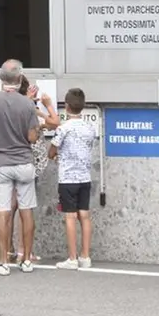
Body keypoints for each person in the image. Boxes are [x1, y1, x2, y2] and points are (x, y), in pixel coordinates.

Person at [0, 59, 40, 276]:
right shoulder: (28, 104)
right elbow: (32, 137)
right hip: (24, 161)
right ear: (20, 78)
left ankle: (3, 262)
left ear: (1, 78)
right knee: (26, 209)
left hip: (0, 163)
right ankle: (27, 260)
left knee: (3, 210)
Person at [5, 76, 59, 264]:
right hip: (28, 161)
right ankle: (22, 251)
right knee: (23, 207)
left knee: (10, 206)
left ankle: (8, 251)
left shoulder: (7, 108)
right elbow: (55, 122)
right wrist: (47, 103)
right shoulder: (30, 109)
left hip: (8, 159)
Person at [49, 88, 96, 270]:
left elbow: (52, 150)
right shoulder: (89, 128)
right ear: (82, 107)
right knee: (84, 215)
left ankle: (72, 258)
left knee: (70, 216)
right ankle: (85, 256)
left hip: (68, 178)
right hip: (85, 177)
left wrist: (54, 155)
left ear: (66, 106)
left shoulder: (63, 128)